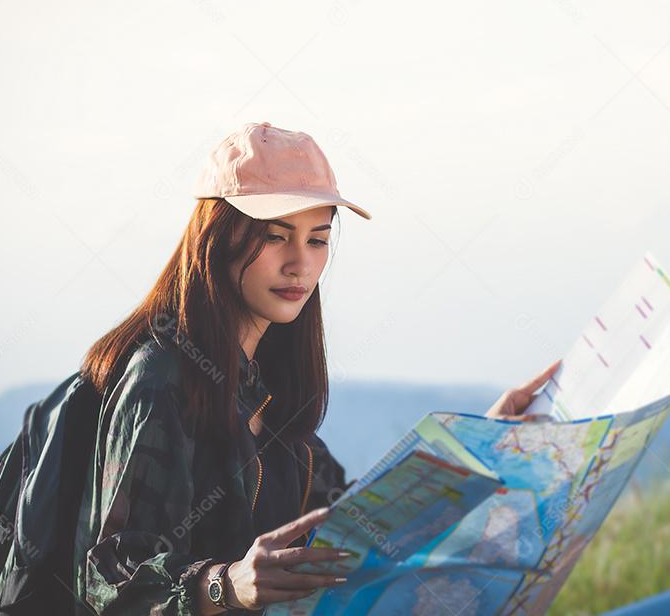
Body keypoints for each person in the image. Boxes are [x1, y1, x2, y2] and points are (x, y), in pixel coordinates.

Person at [70, 121, 561, 615]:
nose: (299, 264)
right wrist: (224, 585)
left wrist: (479, 444)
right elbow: (108, 584)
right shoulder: (159, 380)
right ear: (217, 239)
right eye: (275, 236)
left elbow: (352, 524)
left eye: (317, 240)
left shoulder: (270, 389)